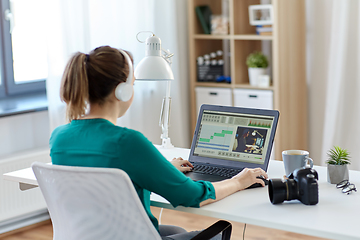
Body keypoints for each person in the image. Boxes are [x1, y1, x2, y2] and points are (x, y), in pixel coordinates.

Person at [49, 46, 268, 239]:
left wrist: (162, 170)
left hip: (90, 234)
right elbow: (192, 196)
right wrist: (240, 181)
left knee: (175, 231)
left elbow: (104, 179)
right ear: (122, 91)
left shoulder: (59, 137)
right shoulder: (127, 141)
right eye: (132, 84)